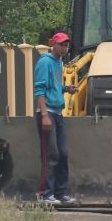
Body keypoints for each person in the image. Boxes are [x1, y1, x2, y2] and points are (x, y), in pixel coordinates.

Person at [34, 32, 78, 205]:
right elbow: (40, 90)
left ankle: (60, 192)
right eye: (62, 45)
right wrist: (44, 115)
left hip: (58, 113)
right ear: (53, 45)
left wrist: (66, 89)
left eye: (67, 45)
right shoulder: (45, 62)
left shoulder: (59, 62)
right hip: (48, 113)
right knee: (50, 155)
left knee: (63, 154)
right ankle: (45, 194)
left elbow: (54, 86)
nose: (65, 48)